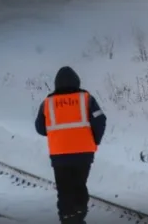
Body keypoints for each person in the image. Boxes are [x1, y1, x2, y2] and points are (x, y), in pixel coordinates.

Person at [34, 66, 106, 224]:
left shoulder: (47, 103)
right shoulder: (86, 99)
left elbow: (40, 127)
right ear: (77, 81)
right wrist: (95, 140)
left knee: (64, 189)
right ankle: (79, 215)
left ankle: (68, 218)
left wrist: (57, 132)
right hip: (84, 153)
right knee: (79, 184)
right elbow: (100, 120)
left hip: (59, 154)